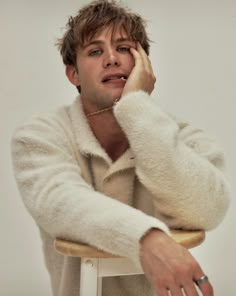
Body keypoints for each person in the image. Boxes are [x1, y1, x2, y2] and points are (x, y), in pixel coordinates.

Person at [11, 0, 230, 295]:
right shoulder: (38, 136)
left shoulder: (189, 139)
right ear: (73, 74)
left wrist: (136, 108)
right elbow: (59, 201)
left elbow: (207, 210)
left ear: (144, 64)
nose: (112, 59)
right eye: (95, 51)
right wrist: (146, 238)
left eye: (125, 48)